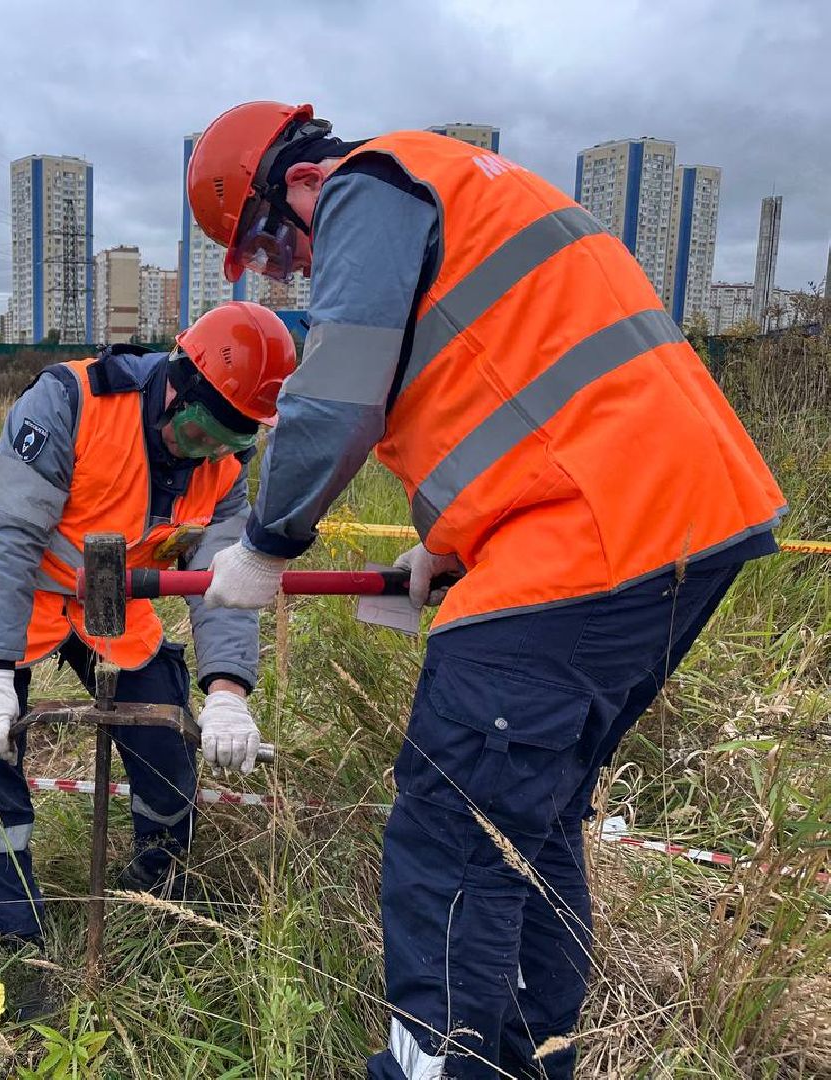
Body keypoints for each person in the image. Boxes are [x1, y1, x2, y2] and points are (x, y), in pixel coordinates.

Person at [186, 101, 785, 1078]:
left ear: (300, 183)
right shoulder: (460, 188)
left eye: (269, 243)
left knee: (451, 834)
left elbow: (336, 396)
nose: (284, 271)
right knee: (525, 836)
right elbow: (512, 391)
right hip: (675, 526)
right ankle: (528, 1062)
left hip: (588, 538)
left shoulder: (367, 187)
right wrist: (451, 546)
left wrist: (265, 543)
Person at [0, 301, 297, 999]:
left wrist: (227, 692)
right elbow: (5, 537)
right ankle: (17, 942)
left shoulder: (225, 463)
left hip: (107, 605)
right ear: (178, 383)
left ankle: (157, 893)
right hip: (1, 597)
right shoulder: (70, 402)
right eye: (202, 432)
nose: (207, 453)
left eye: (231, 441)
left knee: (166, 741)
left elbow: (223, 581)